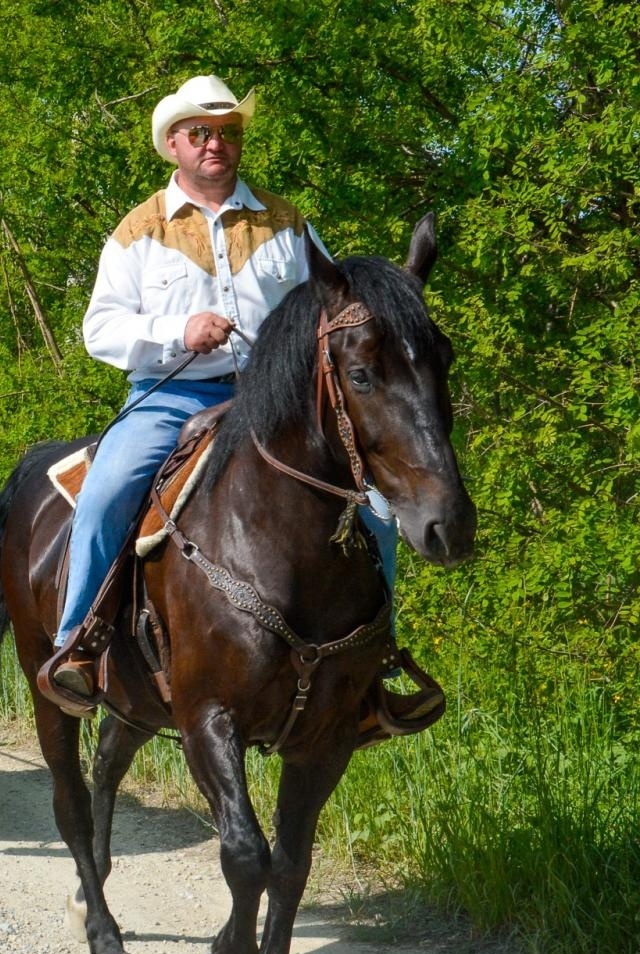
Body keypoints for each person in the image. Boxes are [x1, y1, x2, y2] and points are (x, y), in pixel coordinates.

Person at [39, 74, 440, 723]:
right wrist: (178, 331)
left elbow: (336, 306)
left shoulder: (287, 223)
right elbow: (99, 330)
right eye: (199, 132)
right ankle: (78, 644)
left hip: (277, 404)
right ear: (173, 144)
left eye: (227, 132)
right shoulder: (136, 232)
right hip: (169, 397)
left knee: (375, 507)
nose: (215, 144)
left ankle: (376, 662)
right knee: (109, 488)